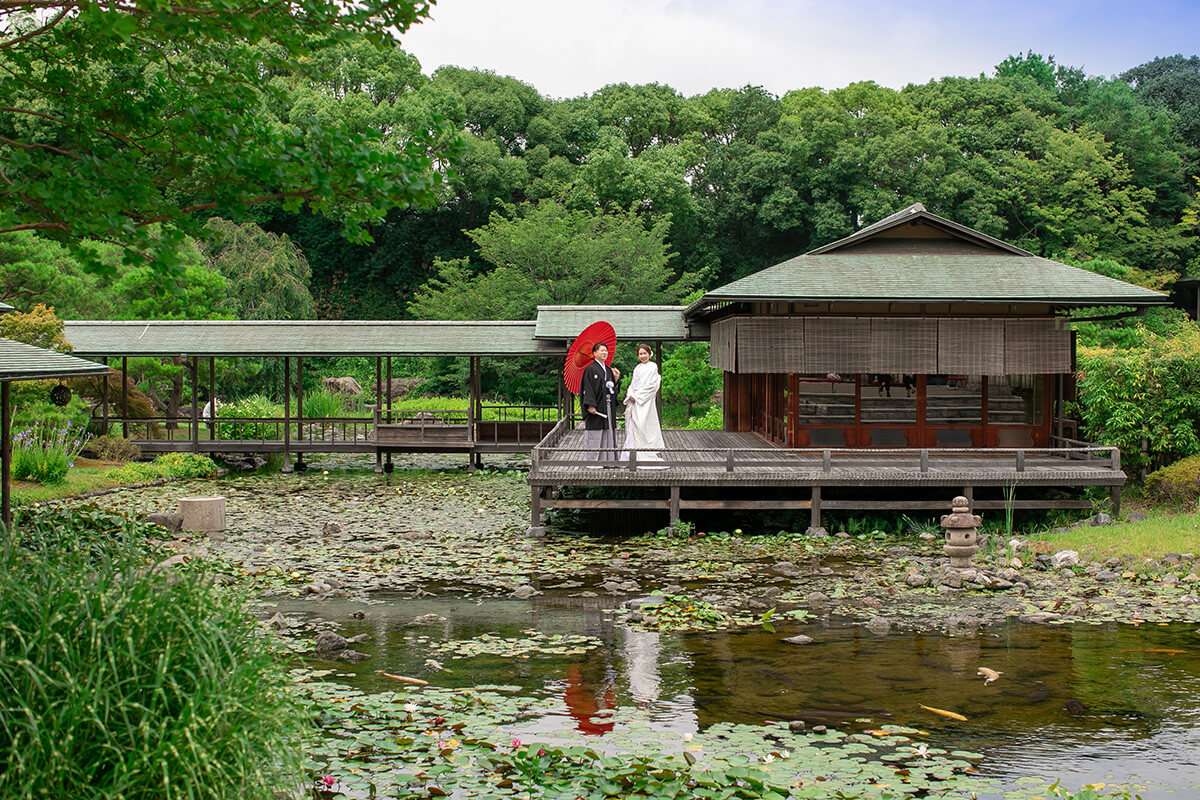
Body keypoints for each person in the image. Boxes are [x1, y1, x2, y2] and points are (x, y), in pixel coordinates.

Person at [621, 343, 666, 466]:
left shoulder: (653, 367)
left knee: (645, 426)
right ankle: (635, 453)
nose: (643, 356)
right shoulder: (637, 368)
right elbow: (633, 384)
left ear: (649, 354)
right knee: (635, 427)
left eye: (644, 353)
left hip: (645, 402)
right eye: (640, 354)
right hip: (636, 402)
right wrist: (630, 394)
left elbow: (652, 386)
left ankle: (648, 453)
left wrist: (637, 396)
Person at [579, 342, 620, 465]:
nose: (604, 353)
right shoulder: (590, 369)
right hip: (596, 407)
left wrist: (616, 379)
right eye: (601, 351)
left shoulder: (608, 369)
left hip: (607, 406)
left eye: (606, 351)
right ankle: (592, 462)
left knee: (608, 433)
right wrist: (590, 404)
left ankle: (607, 461)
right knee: (595, 434)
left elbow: (613, 390)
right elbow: (588, 388)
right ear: (594, 353)